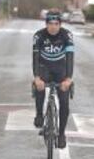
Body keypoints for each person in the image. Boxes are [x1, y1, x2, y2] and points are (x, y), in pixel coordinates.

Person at [32, 9, 74, 149]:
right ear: (46, 24)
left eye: (56, 23)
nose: (53, 26)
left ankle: (61, 134)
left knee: (64, 101)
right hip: (45, 68)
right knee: (39, 85)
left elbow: (70, 58)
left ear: (60, 24)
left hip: (60, 70)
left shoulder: (67, 35)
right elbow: (35, 58)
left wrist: (68, 79)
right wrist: (37, 78)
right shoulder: (39, 36)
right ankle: (39, 114)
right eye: (50, 23)